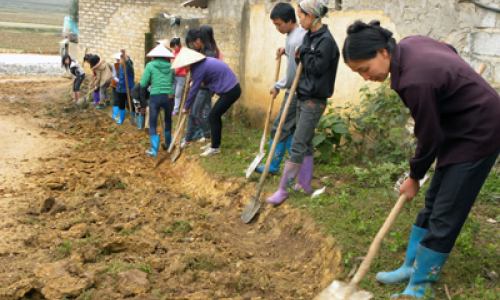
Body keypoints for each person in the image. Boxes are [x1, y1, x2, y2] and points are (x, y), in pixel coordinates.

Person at [343, 20, 500, 299]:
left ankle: (421, 284)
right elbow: (447, 49)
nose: (365, 77)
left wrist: (414, 177)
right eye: (358, 73)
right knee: (434, 200)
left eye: (364, 69)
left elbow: (429, 137)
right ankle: (410, 267)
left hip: (480, 130)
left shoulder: (415, 80)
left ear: (382, 52)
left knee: (446, 209)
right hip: (457, 123)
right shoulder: (410, 44)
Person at [267, 0, 339, 204]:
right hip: (302, 95)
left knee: (297, 143)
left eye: (300, 16)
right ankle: (304, 184)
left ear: (311, 16)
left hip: (314, 101)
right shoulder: (309, 36)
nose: (299, 20)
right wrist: (300, 54)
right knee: (305, 142)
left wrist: (303, 53)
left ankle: (284, 189)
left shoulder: (326, 40)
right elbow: (301, 61)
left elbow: (316, 66)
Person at [255, 2, 306, 175]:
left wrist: (277, 85)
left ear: (290, 20)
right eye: (274, 24)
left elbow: (292, 75)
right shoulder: (299, 34)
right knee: (291, 128)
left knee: (279, 127)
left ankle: (273, 165)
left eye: (279, 24)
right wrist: (286, 49)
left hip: (295, 90)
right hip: (304, 90)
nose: (277, 28)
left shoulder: (294, 40)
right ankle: (294, 166)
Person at [172, 47, 241, 157]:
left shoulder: (199, 67)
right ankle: (214, 143)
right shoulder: (201, 64)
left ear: (189, 62)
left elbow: (194, 90)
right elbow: (206, 80)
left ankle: (215, 147)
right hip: (230, 89)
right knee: (214, 116)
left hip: (231, 90)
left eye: (184, 65)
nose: (184, 68)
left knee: (213, 116)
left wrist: (186, 107)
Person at [181, 29, 217, 148]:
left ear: (198, 40)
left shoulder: (210, 54)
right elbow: (194, 70)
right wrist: (192, 80)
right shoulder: (196, 53)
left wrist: (200, 82)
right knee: (193, 113)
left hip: (205, 88)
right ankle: (188, 139)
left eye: (192, 44)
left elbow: (212, 73)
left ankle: (207, 135)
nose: (192, 46)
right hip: (197, 87)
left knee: (198, 112)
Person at [140, 44, 175, 157]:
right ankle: (168, 143)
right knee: (168, 119)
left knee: (153, 122)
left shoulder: (150, 65)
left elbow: (143, 83)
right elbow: (172, 80)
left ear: (154, 56)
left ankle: (154, 151)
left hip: (155, 96)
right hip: (169, 96)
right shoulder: (171, 66)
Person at [116, 53, 135, 124]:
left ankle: (133, 117)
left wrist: (127, 59)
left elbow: (129, 66)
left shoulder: (130, 69)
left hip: (129, 89)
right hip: (121, 89)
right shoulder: (121, 67)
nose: (119, 61)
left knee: (131, 104)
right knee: (121, 104)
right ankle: (121, 119)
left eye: (120, 60)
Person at [170, 38, 187, 116]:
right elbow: (172, 63)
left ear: (179, 44)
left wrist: (173, 72)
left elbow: (180, 65)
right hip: (174, 75)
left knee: (177, 93)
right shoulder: (174, 52)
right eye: (173, 46)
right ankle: (172, 107)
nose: (174, 48)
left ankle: (176, 110)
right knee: (173, 91)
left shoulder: (183, 52)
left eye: (175, 46)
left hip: (181, 76)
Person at [110, 53, 121, 120]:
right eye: (118, 59)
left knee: (120, 98)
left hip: (122, 85)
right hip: (115, 84)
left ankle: (120, 113)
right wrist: (118, 80)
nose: (118, 60)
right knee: (116, 98)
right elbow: (114, 75)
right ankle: (115, 114)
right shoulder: (115, 65)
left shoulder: (125, 66)